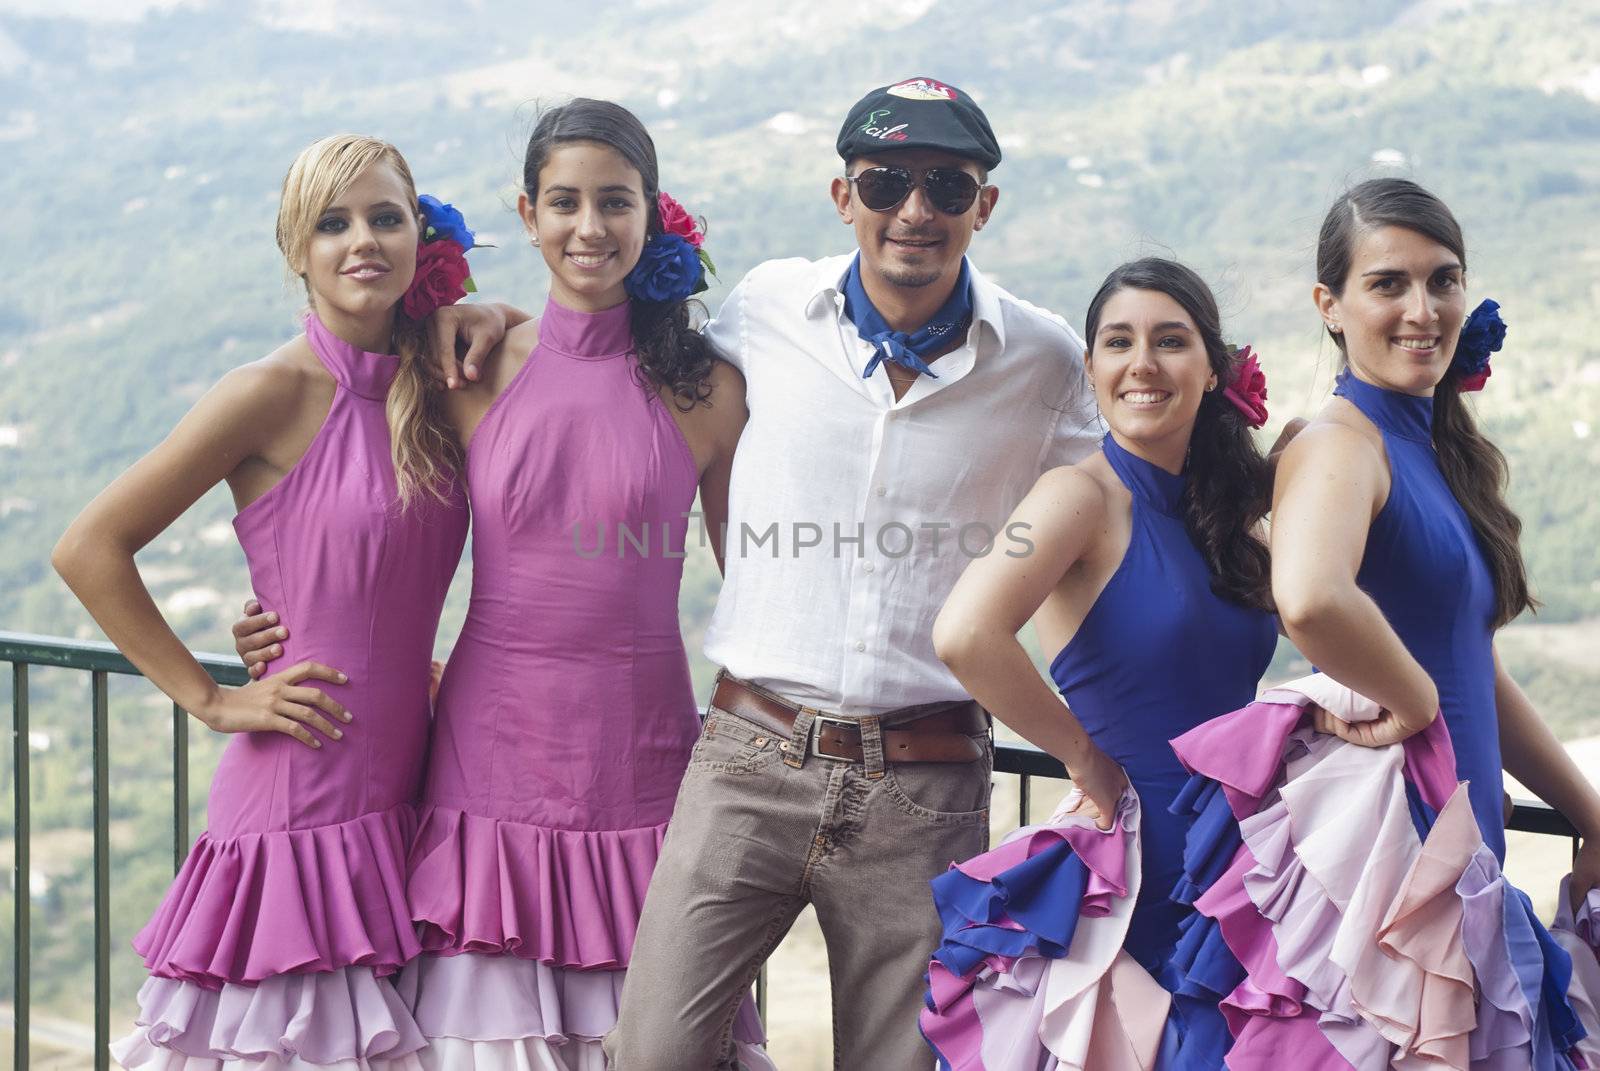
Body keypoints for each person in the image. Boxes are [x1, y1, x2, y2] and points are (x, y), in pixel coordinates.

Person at [235, 100, 761, 1068]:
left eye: (614, 202)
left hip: (644, 763)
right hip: (488, 766)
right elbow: (360, 500)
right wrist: (280, 613)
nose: (588, 226)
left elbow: (759, 598)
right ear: (527, 215)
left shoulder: (709, 393)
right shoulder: (465, 365)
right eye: (564, 202)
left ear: (653, 213)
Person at [603, 76, 1104, 1070]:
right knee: (652, 1052)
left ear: (983, 207)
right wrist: (478, 329)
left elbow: (1112, 514)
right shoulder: (768, 306)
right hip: (750, 755)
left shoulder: (1042, 362)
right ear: (845, 198)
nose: (914, 210)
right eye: (885, 182)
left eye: (946, 187)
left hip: (922, 786)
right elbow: (619, 361)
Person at [53, 134, 472, 1068]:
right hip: (299, 800)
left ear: (419, 237)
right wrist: (210, 699)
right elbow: (89, 547)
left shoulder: (436, 388)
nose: (361, 240)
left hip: (406, 793)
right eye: (333, 223)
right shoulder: (268, 394)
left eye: (385, 217)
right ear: (299, 250)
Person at [925, 258, 1278, 1065]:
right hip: (1137, 864)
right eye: (1118, 342)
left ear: (1213, 366)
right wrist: (1083, 755)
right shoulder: (1076, 496)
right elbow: (966, 632)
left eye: (1170, 340)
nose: (1142, 363)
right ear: (1091, 368)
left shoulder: (1220, 513)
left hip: (1236, 860)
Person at [1273, 176, 1600, 897]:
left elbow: (1473, 666)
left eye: (1442, 280)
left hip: (1461, 831)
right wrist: (1416, 702)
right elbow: (1307, 597)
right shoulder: (1340, 445)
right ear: (1330, 306)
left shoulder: (1435, 447)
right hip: (1399, 840)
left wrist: (1589, 813)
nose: (1422, 311)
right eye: (1388, 284)